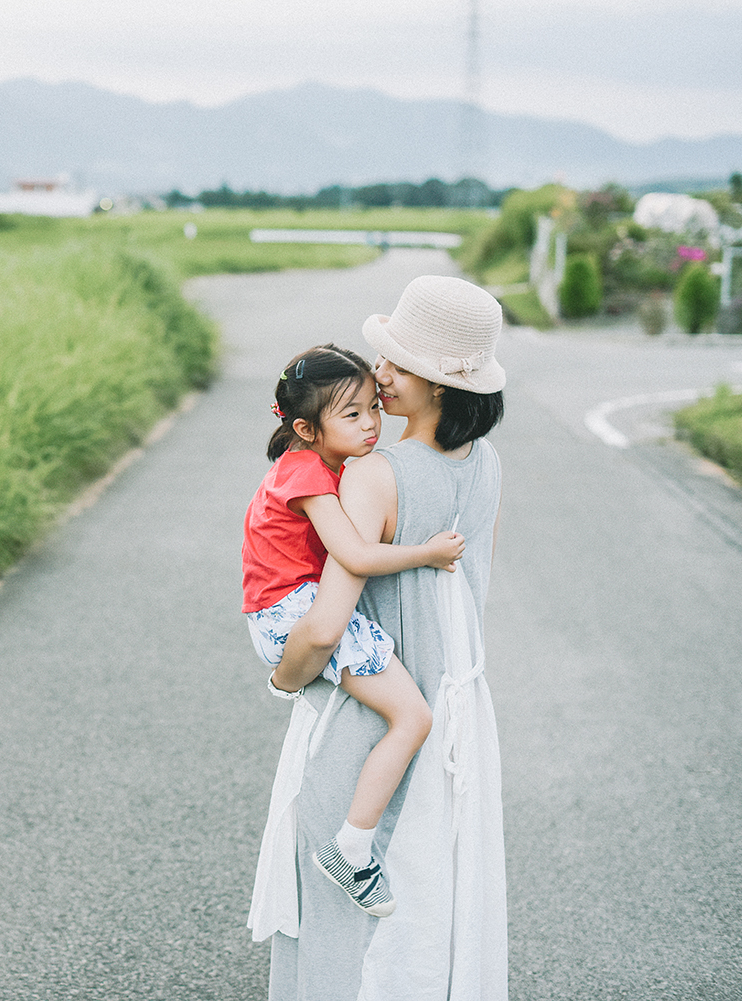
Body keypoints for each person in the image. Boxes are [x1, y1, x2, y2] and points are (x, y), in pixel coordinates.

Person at [249, 274, 509, 1001]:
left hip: (371, 717)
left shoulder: (374, 473)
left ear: (438, 382)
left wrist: (285, 678)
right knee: (435, 899)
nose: (380, 375)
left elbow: (327, 623)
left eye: (396, 363)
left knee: (342, 918)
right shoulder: (486, 465)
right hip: (456, 710)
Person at [242, 343, 465, 917]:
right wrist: (426, 553)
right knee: (413, 716)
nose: (371, 424)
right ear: (305, 428)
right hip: (296, 611)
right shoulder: (308, 476)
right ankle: (351, 849)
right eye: (352, 414)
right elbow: (358, 557)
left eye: (373, 407)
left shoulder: (314, 463)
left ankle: (353, 844)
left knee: (403, 716)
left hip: (287, 606)